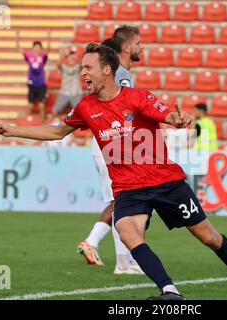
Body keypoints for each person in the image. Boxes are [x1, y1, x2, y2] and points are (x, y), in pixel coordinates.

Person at [0, 43, 227, 300]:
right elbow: (56, 131)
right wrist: (12, 129)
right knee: (126, 231)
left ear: (106, 70)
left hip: (165, 181)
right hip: (128, 189)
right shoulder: (86, 107)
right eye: (82, 67)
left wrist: (178, 118)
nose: (82, 72)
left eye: (88, 67)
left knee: (209, 237)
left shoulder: (137, 98)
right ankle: (170, 291)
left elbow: (167, 115)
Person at [77, 25, 146, 275]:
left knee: (122, 201)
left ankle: (115, 254)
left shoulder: (120, 73)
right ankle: (123, 262)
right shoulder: (122, 75)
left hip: (111, 144)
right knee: (122, 202)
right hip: (110, 144)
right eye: (138, 42)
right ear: (127, 47)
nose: (142, 47)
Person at [52, 48, 82, 116]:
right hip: (64, 93)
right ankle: (63, 123)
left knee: (81, 113)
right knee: (54, 111)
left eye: (73, 58)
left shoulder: (78, 67)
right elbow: (58, 65)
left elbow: (83, 65)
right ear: (67, 59)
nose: (72, 59)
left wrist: (76, 57)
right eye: (70, 58)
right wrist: (61, 56)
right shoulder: (63, 67)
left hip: (76, 93)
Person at [23, 41, 48, 121]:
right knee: (30, 106)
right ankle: (27, 123)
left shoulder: (43, 56)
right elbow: (18, 48)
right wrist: (17, 36)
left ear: (41, 48)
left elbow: (49, 49)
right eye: (35, 47)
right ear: (33, 48)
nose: (37, 49)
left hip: (41, 84)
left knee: (41, 106)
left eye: (38, 47)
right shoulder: (29, 55)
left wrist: (49, 36)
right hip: (32, 84)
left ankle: (43, 123)